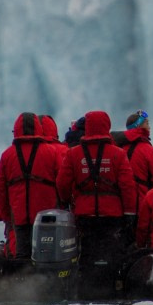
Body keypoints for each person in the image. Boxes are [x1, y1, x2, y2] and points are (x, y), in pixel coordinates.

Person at [57, 111, 137, 267]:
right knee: (111, 248)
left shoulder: (74, 153)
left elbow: (62, 182)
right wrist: (129, 212)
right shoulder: (118, 154)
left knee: (87, 248)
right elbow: (127, 186)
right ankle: (109, 281)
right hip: (112, 213)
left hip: (84, 212)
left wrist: (65, 201)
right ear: (107, 126)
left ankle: (88, 282)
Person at [0, 112, 61, 259]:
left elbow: (0, 190)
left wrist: (7, 218)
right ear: (38, 128)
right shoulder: (52, 153)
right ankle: (47, 281)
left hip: (19, 217)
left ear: (16, 129)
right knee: (47, 255)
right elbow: (62, 184)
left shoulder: (7, 155)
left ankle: (22, 279)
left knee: (22, 254)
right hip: (47, 218)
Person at [122, 109, 153, 211]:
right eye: (147, 123)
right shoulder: (150, 151)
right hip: (141, 204)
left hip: (120, 205)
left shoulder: (118, 148)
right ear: (138, 126)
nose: (149, 127)